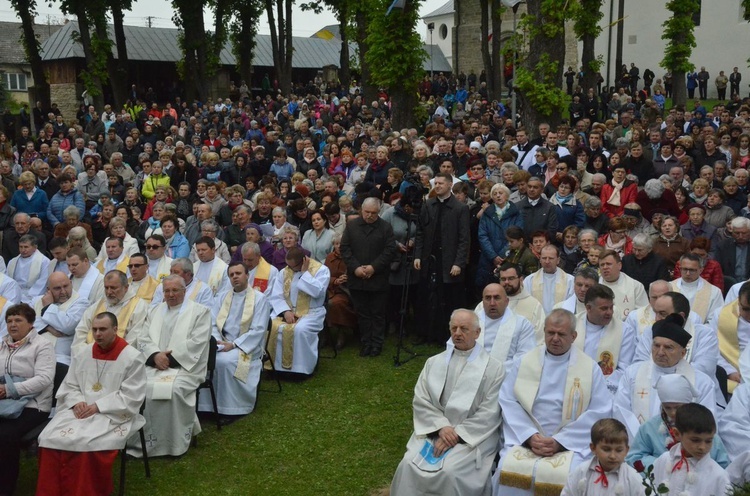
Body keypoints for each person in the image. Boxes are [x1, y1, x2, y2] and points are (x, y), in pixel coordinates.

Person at [492, 309, 612, 496]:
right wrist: (529, 436)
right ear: (544, 332)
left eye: (561, 334)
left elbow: (599, 410)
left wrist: (560, 441)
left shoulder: (589, 368)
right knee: (505, 470)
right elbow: (508, 400)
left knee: (573, 474)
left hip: (569, 444)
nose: (555, 338)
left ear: (573, 336)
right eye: (550, 333)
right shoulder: (524, 361)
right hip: (527, 440)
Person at [390, 309, 504, 496]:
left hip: (471, 437)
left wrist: (457, 434)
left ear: (477, 333)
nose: (457, 333)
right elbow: (421, 399)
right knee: (408, 463)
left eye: (464, 329)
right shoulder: (434, 363)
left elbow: (490, 411)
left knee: (450, 473)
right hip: (434, 431)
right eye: (454, 328)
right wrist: (441, 427)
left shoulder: (493, 368)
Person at [35, 312, 147, 496]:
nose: (98, 334)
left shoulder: (132, 357)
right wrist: (76, 401)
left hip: (111, 414)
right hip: (79, 410)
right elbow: (70, 384)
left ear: (115, 329)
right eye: (94, 329)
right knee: (48, 439)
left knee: (87, 445)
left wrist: (97, 406)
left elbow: (132, 396)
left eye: (103, 329)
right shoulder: (84, 353)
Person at [128, 275, 212, 458]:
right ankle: (139, 442)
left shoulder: (200, 312)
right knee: (137, 387)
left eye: (175, 290)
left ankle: (172, 444)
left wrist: (168, 359)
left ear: (185, 291)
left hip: (185, 368)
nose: (171, 294)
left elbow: (197, 342)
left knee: (172, 390)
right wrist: (154, 356)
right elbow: (142, 337)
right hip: (154, 364)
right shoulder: (154, 310)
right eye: (167, 291)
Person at [614, 314, 717, 439]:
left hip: (685, 448)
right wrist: (642, 441)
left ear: (683, 353)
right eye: (656, 346)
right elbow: (621, 411)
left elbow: (707, 421)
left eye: (668, 347)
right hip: (638, 446)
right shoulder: (633, 373)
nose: (660, 352)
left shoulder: (701, 382)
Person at [199, 263, 269, 419]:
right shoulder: (222, 297)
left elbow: (258, 329)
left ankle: (231, 407)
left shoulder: (260, 298)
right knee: (206, 359)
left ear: (247, 275)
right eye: (231, 275)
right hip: (222, 343)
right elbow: (212, 321)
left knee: (224, 362)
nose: (235, 277)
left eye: (238, 273)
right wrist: (217, 341)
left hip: (246, 346)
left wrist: (234, 344)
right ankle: (207, 406)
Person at [0, 303, 55, 496]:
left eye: (18, 320)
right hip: (5, 404)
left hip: (34, 405)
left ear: (31, 323)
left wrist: (9, 390)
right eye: (9, 321)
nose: (12, 324)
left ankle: (5, 488)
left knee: (5, 435)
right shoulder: (2, 344)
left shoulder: (43, 345)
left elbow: (44, 379)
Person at [628, 374, 729, 470]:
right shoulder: (649, 427)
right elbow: (634, 457)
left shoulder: (703, 426)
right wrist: (664, 464)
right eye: (667, 407)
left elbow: (724, 464)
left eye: (677, 407)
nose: (672, 413)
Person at [413, 173, 470, 344]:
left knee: (447, 300)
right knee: (425, 297)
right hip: (429, 260)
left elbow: (464, 238)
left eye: (441, 183)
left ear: (450, 185)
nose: (437, 186)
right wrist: (417, 255)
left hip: (449, 261)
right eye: (435, 183)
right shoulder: (428, 205)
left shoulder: (460, 208)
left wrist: (458, 263)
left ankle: (445, 336)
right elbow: (420, 232)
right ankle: (424, 334)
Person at [340, 197, 397, 357]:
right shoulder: (352, 226)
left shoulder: (385, 227)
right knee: (362, 312)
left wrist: (374, 267)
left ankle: (377, 344)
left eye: (374, 213)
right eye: (367, 212)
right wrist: (355, 267)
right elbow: (345, 249)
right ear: (361, 210)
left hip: (378, 279)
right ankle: (365, 343)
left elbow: (389, 250)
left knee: (378, 313)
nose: (370, 215)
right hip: (357, 278)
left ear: (378, 212)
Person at [267, 247, 330, 375]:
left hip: (311, 312)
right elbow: (277, 295)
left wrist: (305, 274)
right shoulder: (284, 272)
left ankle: (300, 370)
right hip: (286, 310)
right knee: (270, 326)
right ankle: (273, 367)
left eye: (292, 266)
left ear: (303, 261)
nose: (289, 269)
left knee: (299, 330)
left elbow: (318, 292)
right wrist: (285, 311)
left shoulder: (321, 270)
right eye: (287, 265)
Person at [633, 292, 718, 385]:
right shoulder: (650, 331)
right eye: (655, 313)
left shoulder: (705, 334)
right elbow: (640, 364)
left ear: (680, 316)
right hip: (651, 386)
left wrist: (666, 378)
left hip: (695, 389)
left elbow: (703, 370)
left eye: (662, 314)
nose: (657, 319)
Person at [652, 403, 730, 496]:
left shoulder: (718, 476)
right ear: (677, 434)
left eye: (708, 441)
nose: (702, 447)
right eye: (695, 440)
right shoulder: (664, 460)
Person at [574, 284, 636, 394]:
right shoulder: (571, 324)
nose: (609, 312)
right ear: (588, 308)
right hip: (573, 384)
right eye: (604, 308)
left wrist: (595, 385)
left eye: (611, 307)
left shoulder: (625, 331)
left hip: (607, 391)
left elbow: (624, 368)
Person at [560, 419, 644, 496]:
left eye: (619, 450)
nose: (613, 456)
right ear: (593, 448)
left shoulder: (633, 479)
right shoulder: (581, 472)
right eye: (606, 449)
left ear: (626, 450)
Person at [72, 270, 149, 352]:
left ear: (126, 288)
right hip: (90, 356)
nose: (109, 292)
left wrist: (112, 356)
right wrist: (86, 353)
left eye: (113, 288)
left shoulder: (139, 306)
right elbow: (81, 332)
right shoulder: (97, 306)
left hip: (120, 358)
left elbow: (135, 338)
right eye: (106, 287)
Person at [31, 272, 88, 366]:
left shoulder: (81, 302)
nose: (63, 291)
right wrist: (47, 327)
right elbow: (25, 324)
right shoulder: (36, 301)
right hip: (33, 355)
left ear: (71, 283)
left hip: (61, 359)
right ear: (48, 290)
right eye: (57, 288)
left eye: (66, 286)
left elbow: (67, 326)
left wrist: (48, 307)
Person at [473, 283, 536, 367]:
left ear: (506, 302)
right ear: (483, 301)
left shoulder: (522, 324)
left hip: (507, 376)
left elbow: (525, 357)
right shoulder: (470, 322)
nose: (492, 303)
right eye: (488, 298)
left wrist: (494, 371)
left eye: (497, 298)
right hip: (473, 372)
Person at [477, 183, 523, 288]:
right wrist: (493, 256)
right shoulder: (487, 213)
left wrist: (503, 255)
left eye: (500, 193)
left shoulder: (516, 213)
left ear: (506, 195)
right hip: (488, 258)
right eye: (495, 193)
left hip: (510, 257)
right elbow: (482, 235)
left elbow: (517, 235)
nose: (498, 196)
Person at [710, 281, 750, 394]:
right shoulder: (722, 315)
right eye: (745, 309)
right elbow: (712, 348)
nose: (749, 315)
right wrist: (729, 371)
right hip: (733, 375)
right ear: (738, 301)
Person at [670, 253, 723, 324]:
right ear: (680, 268)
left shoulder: (714, 292)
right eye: (685, 269)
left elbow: (715, 320)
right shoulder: (669, 287)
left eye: (692, 270)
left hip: (701, 332)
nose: (688, 273)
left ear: (701, 270)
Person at [498, 263, 546, 340]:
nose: (506, 282)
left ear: (521, 279)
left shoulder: (533, 305)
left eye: (511, 278)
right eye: (503, 279)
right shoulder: (490, 303)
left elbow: (539, 336)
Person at [523, 245, 575, 314]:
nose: (547, 261)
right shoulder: (529, 280)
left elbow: (571, 304)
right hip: (537, 322)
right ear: (540, 260)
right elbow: (527, 303)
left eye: (551, 258)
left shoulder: (570, 280)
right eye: (544, 258)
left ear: (558, 260)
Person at [598, 250, 648, 321]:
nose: (605, 267)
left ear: (619, 266)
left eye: (608, 264)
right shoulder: (595, 285)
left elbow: (643, 314)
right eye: (602, 265)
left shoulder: (635, 286)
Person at [150, 257, 214, 308]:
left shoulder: (203, 289)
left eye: (176, 272)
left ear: (188, 274)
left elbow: (206, 312)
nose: (171, 275)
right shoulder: (162, 286)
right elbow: (153, 308)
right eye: (171, 271)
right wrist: (163, 305)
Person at [7, 234, 50, 303]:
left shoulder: (44, 261)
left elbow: (43, 282)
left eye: (26, 247)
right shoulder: (13, 262)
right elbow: (8, 281)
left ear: (35, 247)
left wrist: (27, 297)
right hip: (14, 294)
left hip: (34, 296)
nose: (23, 250)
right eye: (21, 247)